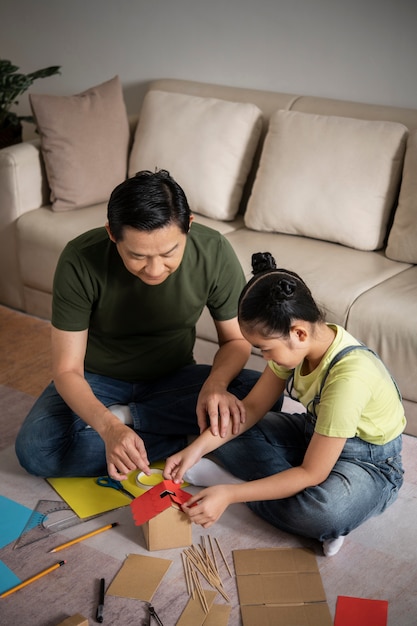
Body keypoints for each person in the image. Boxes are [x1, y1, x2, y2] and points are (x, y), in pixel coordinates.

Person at [15, 170, 267, 480]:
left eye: (169, 252)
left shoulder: (213, 251)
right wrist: (108, 428)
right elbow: (67, 371)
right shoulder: (80, 259)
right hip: (98, 380)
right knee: (36, 449)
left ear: (188, 226)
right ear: (112, 234)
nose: (154, 269)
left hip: (174, 378)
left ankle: (134, 420)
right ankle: (190, 436)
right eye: (137, 255)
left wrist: (215, 386)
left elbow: (235, 341)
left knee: (262, 391)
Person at [164, 252, 406, 556]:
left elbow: (312, 474)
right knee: (222, 425)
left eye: (265, 350)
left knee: (321, 512)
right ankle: (274, 489)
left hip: (368, 462)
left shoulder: (349, 378)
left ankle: (241, 485)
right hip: (313, 434)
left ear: (299, 332)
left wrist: (230, 494)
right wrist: (194, 451)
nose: (263, 358)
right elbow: (250, 410)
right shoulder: (298, 347)